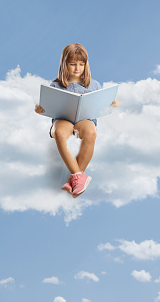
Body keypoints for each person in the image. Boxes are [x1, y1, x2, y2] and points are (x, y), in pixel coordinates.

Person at [35, 43, 119, 198]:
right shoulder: (56, 85)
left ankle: (74, 178)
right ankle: (79, 176)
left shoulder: (93, 84)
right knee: (58, 133)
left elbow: (102, 104)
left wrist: (112, 103)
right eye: (72, 64)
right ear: (64, 64)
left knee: (91, 132)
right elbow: (45, 105)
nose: (77, 68)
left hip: (85, 118)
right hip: (62, 119)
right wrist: (39, 108)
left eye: (81, 64)